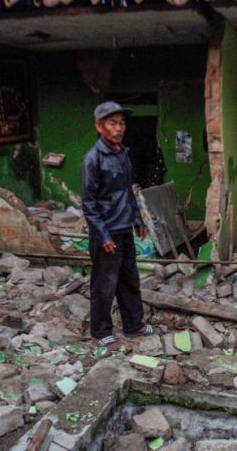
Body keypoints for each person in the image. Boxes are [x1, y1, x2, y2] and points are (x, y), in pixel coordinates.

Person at [81, 101, 155, 349]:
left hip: (124, 228)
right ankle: (100, 331)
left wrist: (137, 219)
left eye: (121, 123)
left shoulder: (123, 154)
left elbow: (127, 191)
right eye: (113, 123)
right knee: (104, 284)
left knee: (129, 279)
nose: (119, 128)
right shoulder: (92, 160)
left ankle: (134, 324)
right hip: (107, 233)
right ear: (99, 126)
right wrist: (102, 236)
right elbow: (89, 204)